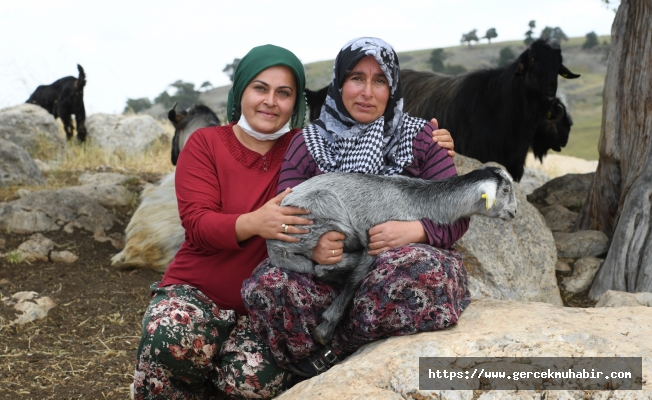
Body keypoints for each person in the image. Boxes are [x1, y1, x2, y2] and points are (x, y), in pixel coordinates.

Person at [241, 37, 471, 378]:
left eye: (380, 80)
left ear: (392, 88)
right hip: (331, 275)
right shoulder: (308, 142)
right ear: (339, 83)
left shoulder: (420, 137)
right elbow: (287, 214)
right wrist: (314, 245)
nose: (367, 92)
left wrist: (415, 231)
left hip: (394, 267)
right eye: (356, 78)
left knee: (413, 270)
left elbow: (458, 212)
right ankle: (316, 355)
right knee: (268, 284)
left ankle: (334, 352)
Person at [131, 44, 314, 399]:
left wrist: (428, 148)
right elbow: (198, 225)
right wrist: (256, 223)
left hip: (266, 307)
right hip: (197, 291)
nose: (271, 101)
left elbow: (364, 163)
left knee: (254, 380)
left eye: (284, 93)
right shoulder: (206, 143)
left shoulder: (307, 148)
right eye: (260, 88)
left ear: (297, 103)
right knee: (169, 340)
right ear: (241, 91)